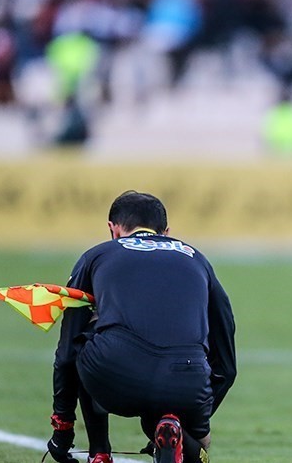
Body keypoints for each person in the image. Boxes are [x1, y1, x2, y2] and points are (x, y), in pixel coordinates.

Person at [47, 191, 237, 463]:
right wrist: (199, 412)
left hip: (115, 376)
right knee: (196, 446)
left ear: (113, 230)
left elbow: (67, 352)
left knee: (87, 335)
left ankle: (99, 452)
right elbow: (227, 354)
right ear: (167, 232)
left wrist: (62, 428)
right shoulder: (197, 258)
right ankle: (178, 432)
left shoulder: (97, 255)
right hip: (187, 378)